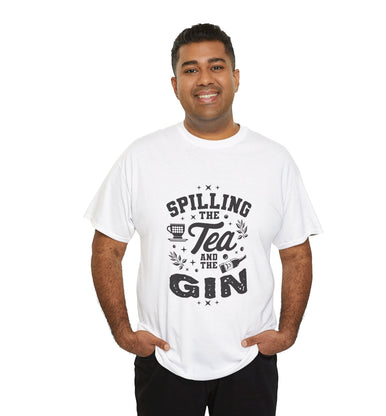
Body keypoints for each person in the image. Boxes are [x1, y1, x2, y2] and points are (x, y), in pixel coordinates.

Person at [85, 23, 322, 416]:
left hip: (250, 359)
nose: (205, 79)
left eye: (216, 66)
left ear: (236, 77)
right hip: (165, 360)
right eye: (191, 69)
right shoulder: (140, 158)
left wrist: (287, 332)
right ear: (175, 84)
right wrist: (123, 333)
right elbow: (106, 250)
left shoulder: (274, 160)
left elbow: (296, 254)